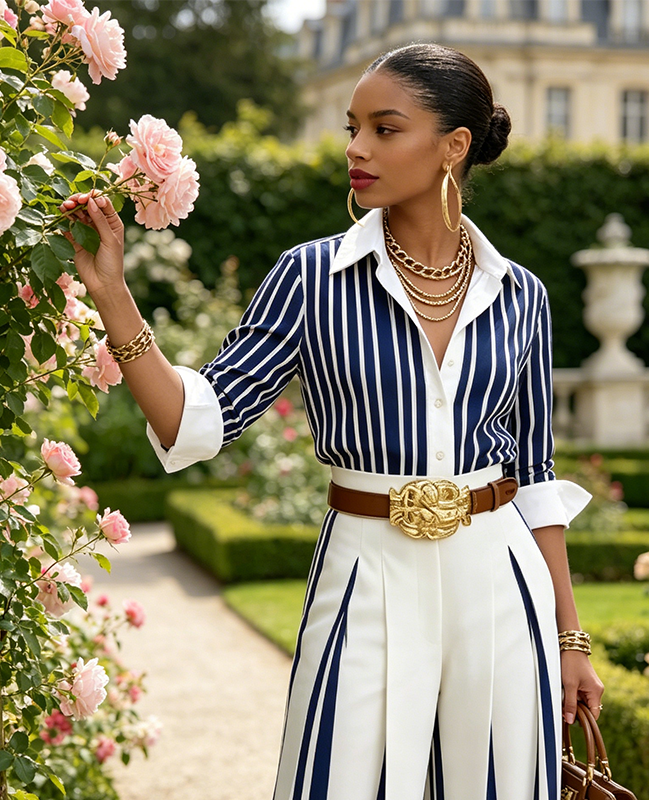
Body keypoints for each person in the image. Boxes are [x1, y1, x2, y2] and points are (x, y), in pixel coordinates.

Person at [59, 42, 604, 800]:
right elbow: (198, 421)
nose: (356, 148)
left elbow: (538, 478)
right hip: (364, 574)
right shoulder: (310, 278)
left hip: (500, 581)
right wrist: (114, 296)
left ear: (455, 147)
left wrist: (569, 638)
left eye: (385, 129)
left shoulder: (522, 295)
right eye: (353, 128)